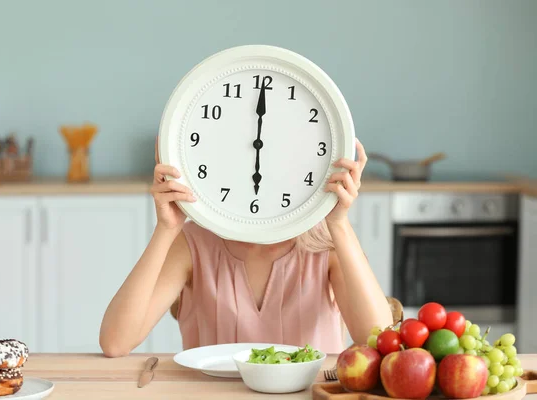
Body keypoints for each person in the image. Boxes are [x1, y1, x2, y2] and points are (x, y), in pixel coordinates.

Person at [99, 138, 392, 357]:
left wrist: (338, 222)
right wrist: (167, 228)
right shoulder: (192, 243)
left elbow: (378, 340)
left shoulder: (326, 246)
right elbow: (115, 342)